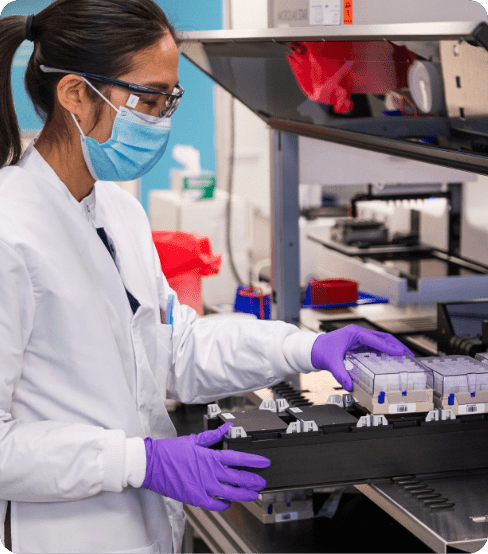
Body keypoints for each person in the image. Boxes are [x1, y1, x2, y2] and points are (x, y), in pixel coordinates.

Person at [0, 1, 412, 552]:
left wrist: (307, 348)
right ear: (74, 94)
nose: (161, 120)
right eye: (148, 100)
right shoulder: (10, 233)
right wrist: (137, 460)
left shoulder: (117, 213)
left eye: (170, 100)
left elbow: (177, 349)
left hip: (146, 528)